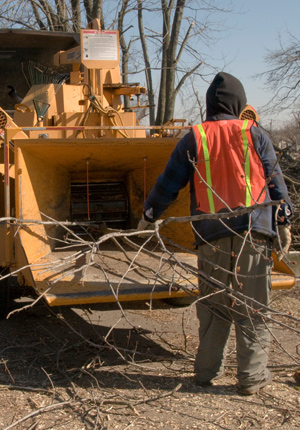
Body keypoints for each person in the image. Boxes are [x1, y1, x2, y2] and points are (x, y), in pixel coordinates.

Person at [138, 72, 293, 395]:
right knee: (252, 306)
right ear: (239, 103)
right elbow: (275, 181)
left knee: (214, 306)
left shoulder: (195, 137)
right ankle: (251, 377)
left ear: (210, 105)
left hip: (211, 236)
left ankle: (206, 373)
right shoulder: (255, 134)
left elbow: (170, 182)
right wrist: (284, 220)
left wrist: (149, 213)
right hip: (254, 234)